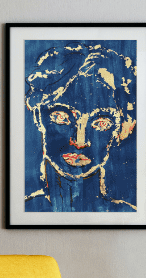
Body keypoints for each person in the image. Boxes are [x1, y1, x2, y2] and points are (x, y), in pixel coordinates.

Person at [24, 42, 137, 212]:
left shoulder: (128, 215)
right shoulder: (23, 210)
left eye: (101, 123)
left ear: (121, 128)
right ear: (38, 117)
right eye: (61, 117)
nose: (79, 141)